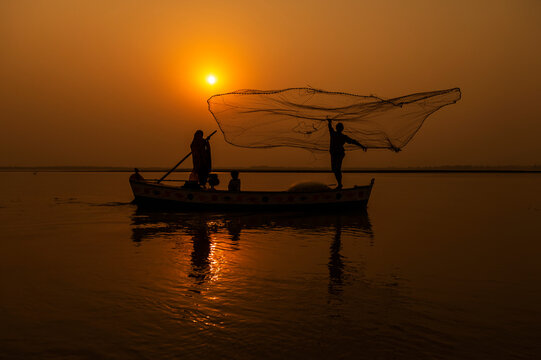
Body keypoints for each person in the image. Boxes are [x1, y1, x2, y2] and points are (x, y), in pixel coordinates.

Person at [327, 118, 366, 189]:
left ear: (341, 129)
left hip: (339, 154)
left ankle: (340, 184)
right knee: (334, 169)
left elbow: (353, 141)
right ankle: (339, 184)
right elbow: (330, 128)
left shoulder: (341, 136)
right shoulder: (334, 134)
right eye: (338, 127)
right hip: (334, 154)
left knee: (337, 169)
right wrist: (329, 122)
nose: (339, 129)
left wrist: (361, 145)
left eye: (339, 128)